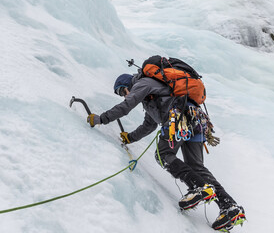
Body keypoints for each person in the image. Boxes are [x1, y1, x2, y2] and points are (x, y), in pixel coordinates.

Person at [87, 72, 246, 231]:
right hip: (196, 119)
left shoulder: (142, 83)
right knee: (196, 166)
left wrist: (101, 119)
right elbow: (149, 125)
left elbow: (126, 106)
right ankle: (229, 206)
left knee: (163, 155)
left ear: (127, 85)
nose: (124, 96)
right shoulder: (150, 98)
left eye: (122, 92)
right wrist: (130, 137)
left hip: (179, 117)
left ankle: (199, 187)